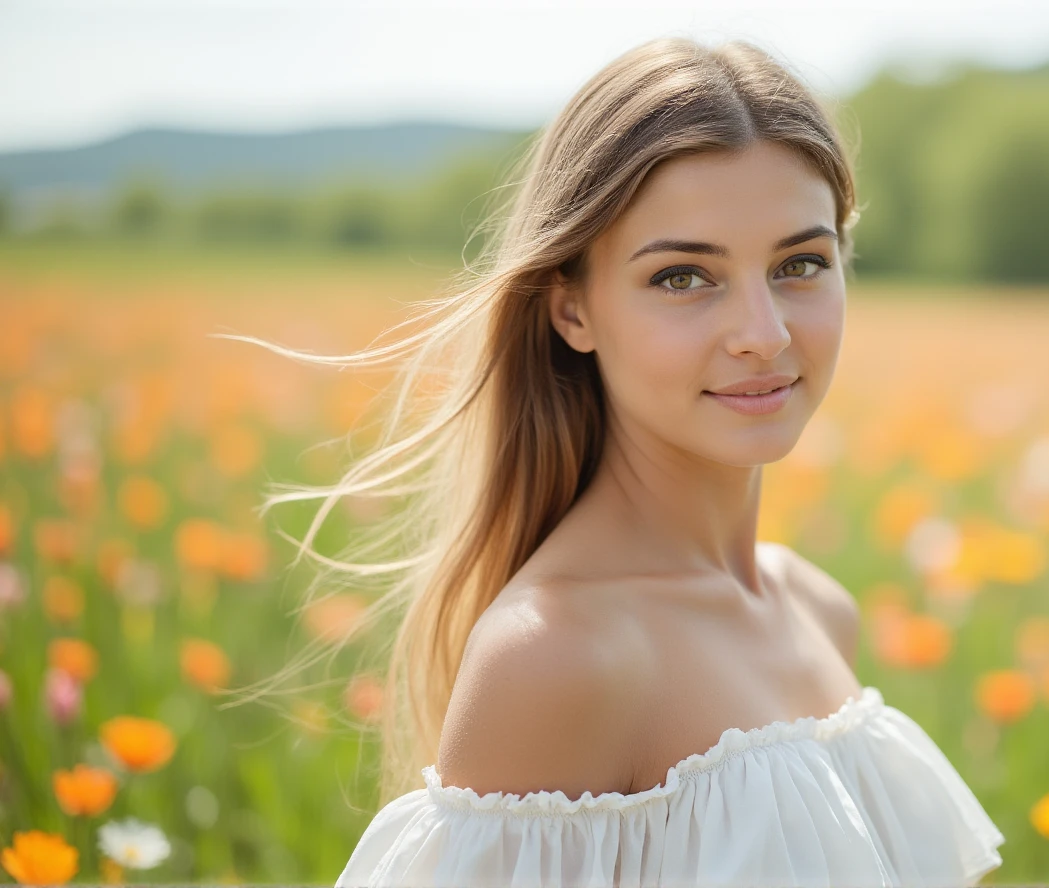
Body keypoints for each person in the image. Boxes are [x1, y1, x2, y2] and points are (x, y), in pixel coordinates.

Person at [276, 34, 1004, 888]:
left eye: (800, 264)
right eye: (683, 278)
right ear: (572, 310)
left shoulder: (814, 606)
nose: (763, 335)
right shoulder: (558, 656)